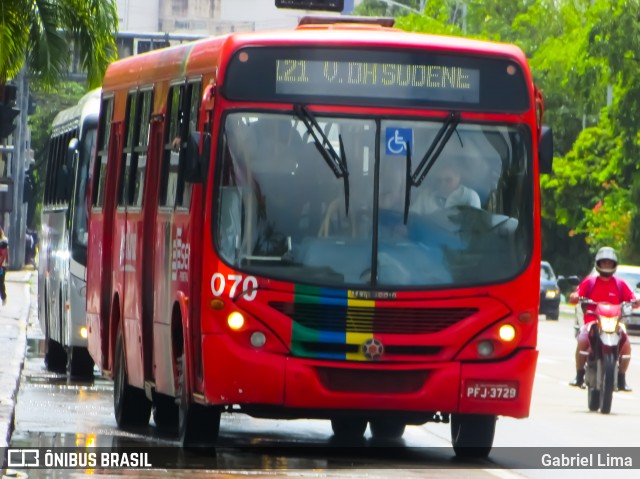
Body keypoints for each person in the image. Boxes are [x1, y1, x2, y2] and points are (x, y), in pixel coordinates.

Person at [568, 246, 636, 391]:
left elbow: (632, 298)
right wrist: (575, 296)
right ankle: (579, 375)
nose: (606, 265)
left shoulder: (620, 284)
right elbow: (577, 293)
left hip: (614, 322)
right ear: (598, 263)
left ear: (614, 265)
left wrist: (635, 301)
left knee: (627, 345)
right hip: (592, 321)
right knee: (582, 339)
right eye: (604, 262)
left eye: (609, 263)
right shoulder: (590, 282)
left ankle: (622, 378)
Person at [410, 157, 481, 215]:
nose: (443, 184)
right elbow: (412, 216)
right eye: (439, 180)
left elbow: (474, 224)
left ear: (458, 176)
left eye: (448, 180)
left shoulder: (470, 196)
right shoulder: (425, 196)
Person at [0, 227, 8, 305]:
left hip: (1, 267)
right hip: (2, 267)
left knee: (1, 283)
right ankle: (3, 297)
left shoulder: (3, 243)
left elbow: (3, 256)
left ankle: (4, 297)